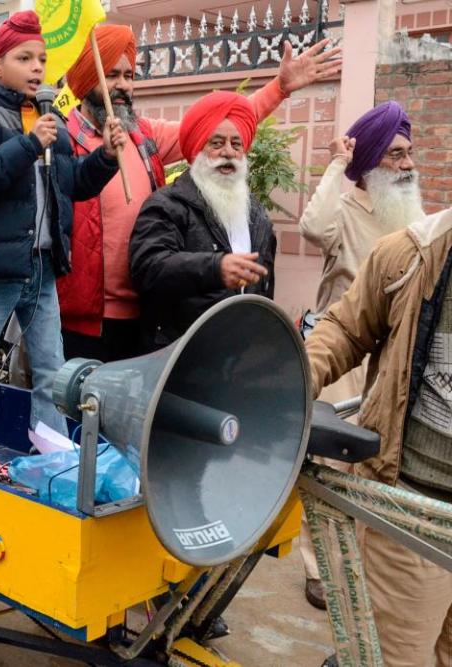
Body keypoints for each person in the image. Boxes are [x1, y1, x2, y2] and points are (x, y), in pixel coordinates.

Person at [57, 26, 342, 361]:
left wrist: (279, 89)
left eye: (129, 75)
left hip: (142, 316)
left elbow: (214, 129)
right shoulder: (62, 141)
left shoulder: (143, 137)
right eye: (112, 75)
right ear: (89, 76)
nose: (122, 85)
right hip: (83, 320)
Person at [0, 10, 126, 457]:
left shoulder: (51, 122)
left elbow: (73, 185)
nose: (38, 68)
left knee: (51, 369)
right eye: (25, 58)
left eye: (41, 59)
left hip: (42, 267)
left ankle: (52, 451)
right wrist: (27, 145)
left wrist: (106, 158)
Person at [305, 174, 452, 666]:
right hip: (414, 515)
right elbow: (345, 329)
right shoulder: (414, 255)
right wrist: (287, 384)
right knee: (398, 657)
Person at [296, 101, 420, 611]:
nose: (408, 165)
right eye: (395, 155)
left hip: (392, 358)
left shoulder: (413, 215)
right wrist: (333, 165)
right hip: (342, 349)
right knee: (330, 469)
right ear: (370, 164)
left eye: (410, 153)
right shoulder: (345, 209)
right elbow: (312, 228)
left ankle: (364, 565)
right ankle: (318, 570)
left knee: (375, 470)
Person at [129, 92, 276, 352]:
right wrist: (214, 268)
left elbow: (264, 290)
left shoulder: (257, 215)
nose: (228, 153)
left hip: (240, 357)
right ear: (197, 150)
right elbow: (147, 268)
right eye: (216, 143)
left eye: (236, 144)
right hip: (181, 356)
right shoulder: (166, 205)